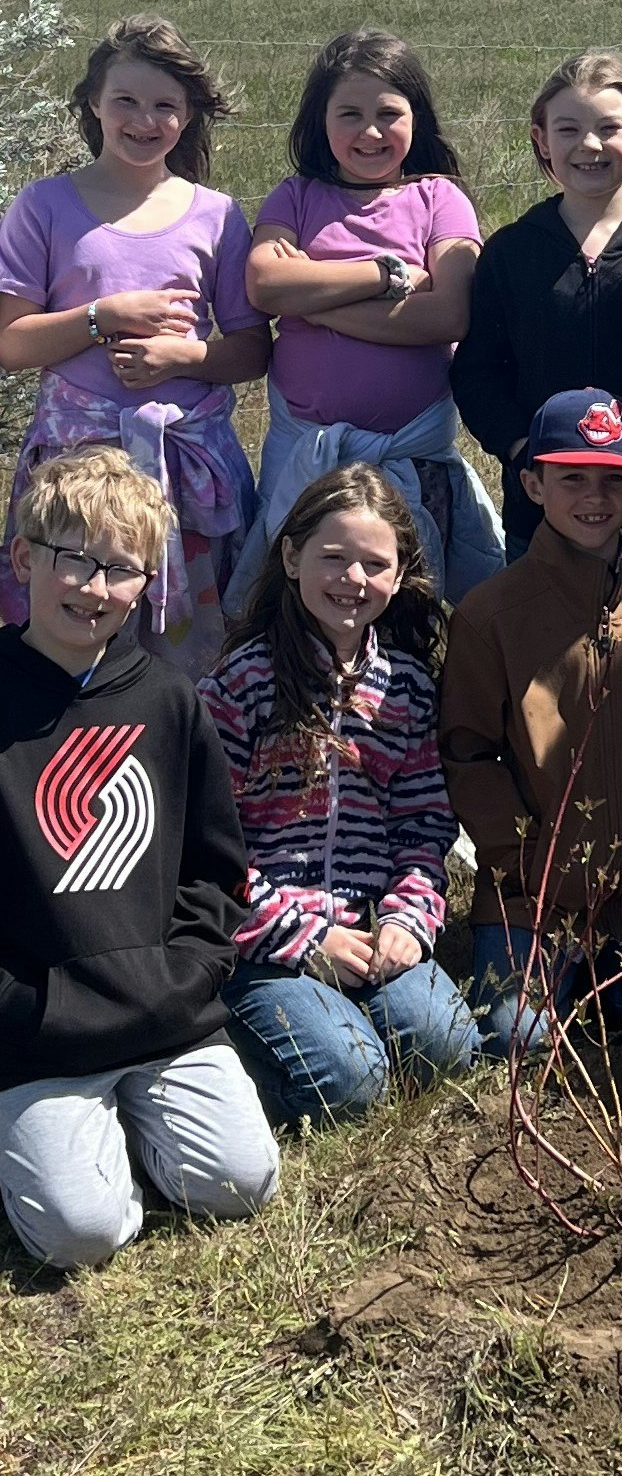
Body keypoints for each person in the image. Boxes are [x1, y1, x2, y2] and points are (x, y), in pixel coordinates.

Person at [0, 446, 278, 1269]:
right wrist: (22, 1008)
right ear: (23, 556)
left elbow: (215, 868)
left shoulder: (167, 698)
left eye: (122, 569)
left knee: (242, 1181)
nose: (94, 587)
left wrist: (187, 972)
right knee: (79, 1235)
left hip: (165, 1015)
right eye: (74, 559)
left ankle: (119, 1123)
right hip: (37, 1028)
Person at [439, 387, 622, 1056]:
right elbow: (467, 754)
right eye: (571, 477)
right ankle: (558, 975)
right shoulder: (490, 613)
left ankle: (613, 976)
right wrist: (525, 861)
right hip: (530, 898)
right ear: (531, 483)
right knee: (519, 1038)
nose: (594, 497)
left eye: (614, 480)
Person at [199, 464, 480, 1129]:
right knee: (349, 1083)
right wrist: (303, 936)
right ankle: (225, 1046)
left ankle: (342, 1013)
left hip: (367, 923)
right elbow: (209, 848)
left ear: (400, 573)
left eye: (373, 563)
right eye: (333, 557)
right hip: (263, 938)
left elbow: (423, 825)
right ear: (292, 558)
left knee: (447, 1048)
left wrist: (408, 919)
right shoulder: (240, 685)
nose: (352, 579)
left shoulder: (406, 687)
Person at [0, 14, 270, 677]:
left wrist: (181, 357)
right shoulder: (44, 206)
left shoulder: (215, 213)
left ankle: (181, 760)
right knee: (72, 633)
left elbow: (250, 350)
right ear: (94, 102)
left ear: (187, 115)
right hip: (77, 475)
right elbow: (10, 342)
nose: (144, 120)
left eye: (164, 106)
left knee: (194, 654)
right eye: (126, 100)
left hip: (187, 474)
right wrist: (102, 316)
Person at [227, 28, 502, 614]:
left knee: (405, 605)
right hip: (306, 450)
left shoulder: (440, 199)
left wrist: (315, 297)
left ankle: (400, 703)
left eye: (388, 113)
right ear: (319, 121)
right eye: (349, 113)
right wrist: (386, 276)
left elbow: (449, 314)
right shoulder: (296, 196)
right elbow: (266, 284)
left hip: (412, 458)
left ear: (416, 120)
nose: (370, 132)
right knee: (293, 605)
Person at [452, 52, 622, 561]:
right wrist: (519, 452)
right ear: (540, 139)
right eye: (569, 129)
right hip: (540, 520)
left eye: (608, 127)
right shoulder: (511, 251)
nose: (589, 145)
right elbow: (477, 373)